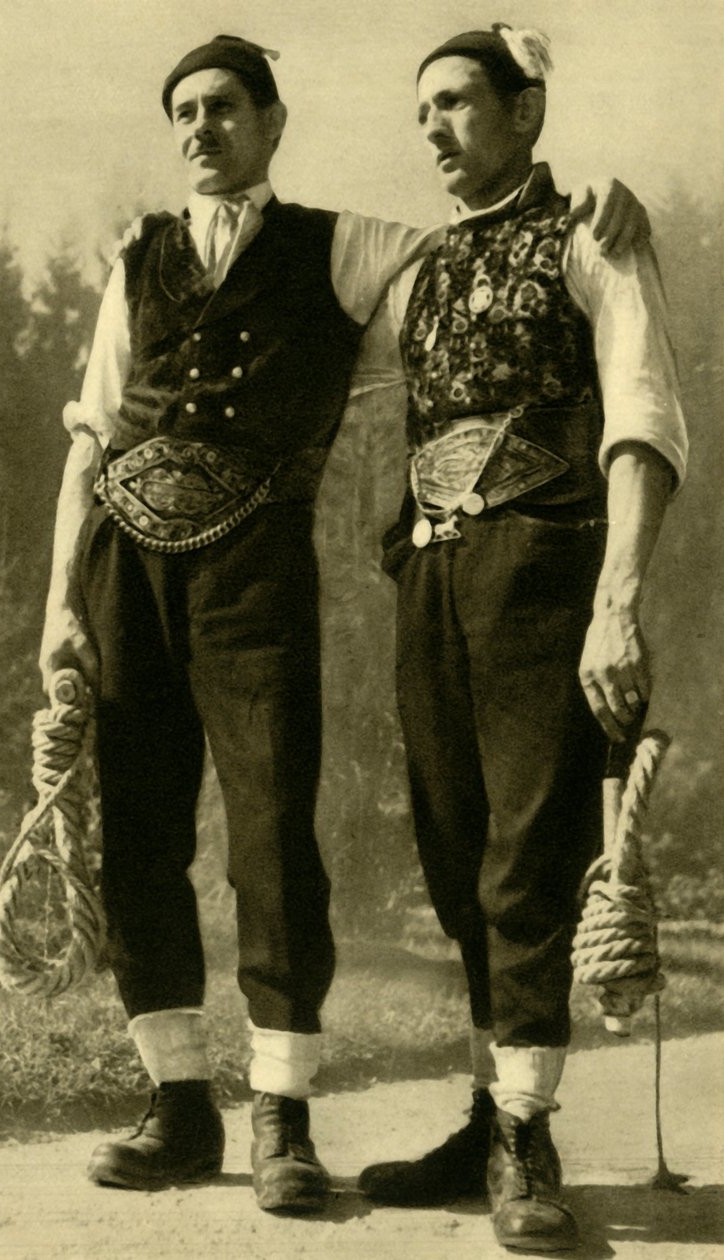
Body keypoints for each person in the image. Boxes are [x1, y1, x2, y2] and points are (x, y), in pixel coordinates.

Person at [38, 32, 649, 1215]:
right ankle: (174, 1104)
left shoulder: (353, 246)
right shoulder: (139, 259)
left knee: (272, 836)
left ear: (272, 124)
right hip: (123, 570)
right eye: (182, 114)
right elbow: (88, 436)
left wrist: (589, 203)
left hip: (253, 576)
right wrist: (62, 605)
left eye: (223, 109)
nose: (199, 130)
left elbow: (487, 249)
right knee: (138, 842)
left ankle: (282, 1117)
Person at [356, 24, 688, 1252]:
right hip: (433, 577)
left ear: (526, 113)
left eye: (457, 103)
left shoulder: (592, 236)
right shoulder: (420, 265)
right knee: (451, 847)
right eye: (423, 109)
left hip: (544, 567)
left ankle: (525, 1139)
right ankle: (490, 1108)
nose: (435, 127)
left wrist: (617, 599)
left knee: (525, 850)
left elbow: (644, 413)